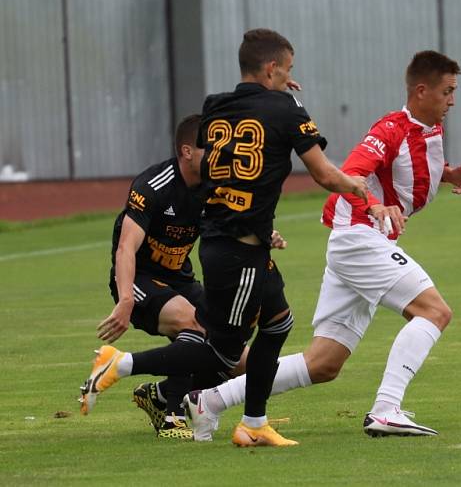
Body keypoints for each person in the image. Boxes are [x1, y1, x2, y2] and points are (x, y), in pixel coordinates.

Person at [78, 28, 369, 448]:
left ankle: (253, 422)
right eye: (287, 70)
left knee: (278, 323)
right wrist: (356, 186)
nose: (291, 78)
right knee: (222, 354)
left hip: (228, 243)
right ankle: (121, 365)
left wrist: (262, 226)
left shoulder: (215, 108)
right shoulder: (286, 107)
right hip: (237, 251)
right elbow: (324, 174)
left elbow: (226, 178)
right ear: (272, 69)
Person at [183, 50, 461, 441]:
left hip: (356, 241)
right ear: (422, 91)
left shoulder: (428, 129)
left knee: (324, 363)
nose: (453, 100)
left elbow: (411, 172)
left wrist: (449, 174)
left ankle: (210, 401)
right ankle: (386, 409)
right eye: (448, 92)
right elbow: (353, 172)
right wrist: (373, 203)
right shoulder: (390, 129)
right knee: (434, 312)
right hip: (359, 237)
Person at [97, 114, 206, 439]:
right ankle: (172, 416)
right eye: (209, 148)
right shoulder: (153, 186)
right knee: (192, 322)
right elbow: (126, 249)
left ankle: (158, 395)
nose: (218, 156)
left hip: (180, 280)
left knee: (233, 354)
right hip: (138, 280)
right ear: (187, 151)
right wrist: (126, 298)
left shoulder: (215, 184)